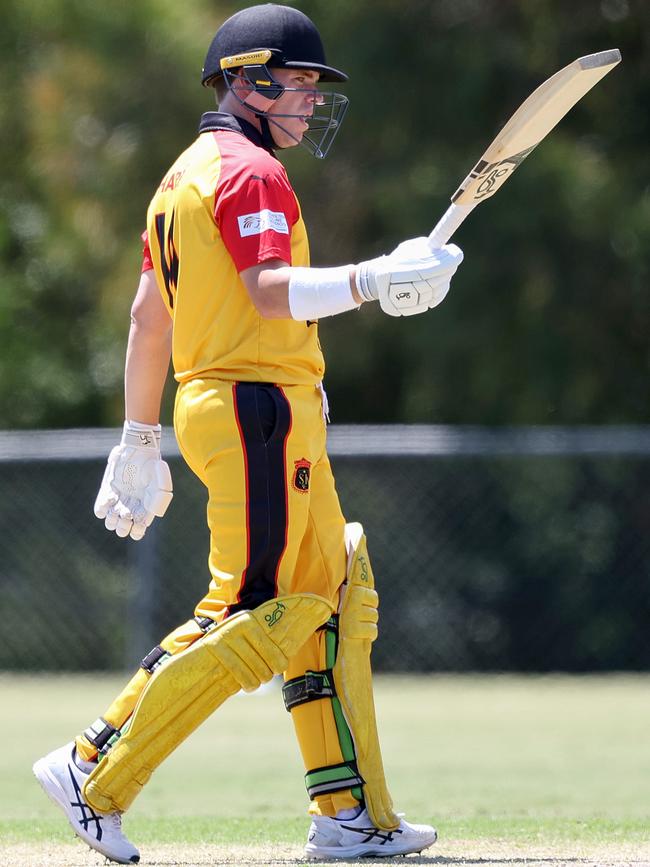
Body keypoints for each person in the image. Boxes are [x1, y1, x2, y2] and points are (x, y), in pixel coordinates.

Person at [33, 4, 463, 864]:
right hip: (252, 408)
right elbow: (270, 292)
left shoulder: (182, 174)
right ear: (244, 80)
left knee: (330, 594)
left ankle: (349, 813)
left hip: (256, 406)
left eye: (311, 86)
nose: (308, 101)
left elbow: (148, 316)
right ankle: (93, 765)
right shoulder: (250, 172)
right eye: (296, 84)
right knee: (254, 606)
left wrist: (139, 436)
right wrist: (376, 279)